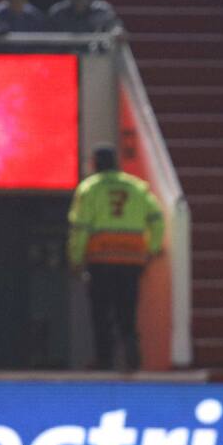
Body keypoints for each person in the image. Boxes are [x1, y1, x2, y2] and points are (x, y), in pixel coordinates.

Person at [67, 145, 163, 371]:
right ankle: (132, 358)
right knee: (127, 311)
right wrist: (151, 249)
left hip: (101, 261)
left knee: (101, 312)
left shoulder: (89, 189)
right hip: (131, 261)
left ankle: (105, 360)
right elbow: (157, 220)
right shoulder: (138, 188)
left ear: (95, 164)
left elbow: (80, 227)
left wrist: (75, 258)